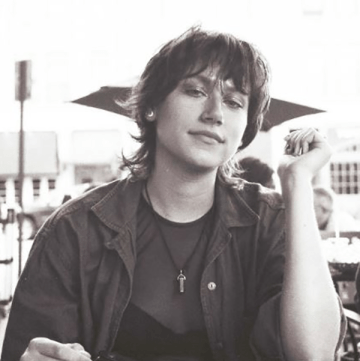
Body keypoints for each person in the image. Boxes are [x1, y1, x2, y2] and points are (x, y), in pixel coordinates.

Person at [2, 26, 345, 361]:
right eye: (195, 91)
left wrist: (298, 184)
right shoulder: (75, 229)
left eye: (234, 101)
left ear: (244, 132)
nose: (214, 113)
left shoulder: (270, 223)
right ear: (151, 106)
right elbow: (27, 347)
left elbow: (313, 352)